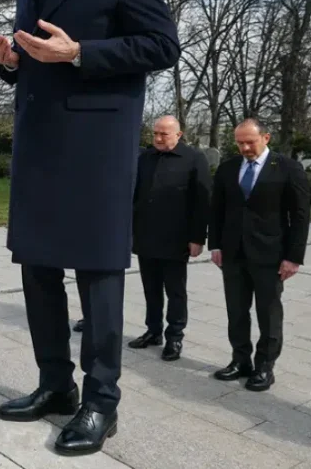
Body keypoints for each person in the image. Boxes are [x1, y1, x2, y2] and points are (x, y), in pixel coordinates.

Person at [0, 0, 179, 455]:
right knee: (37, 268)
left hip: (96, 146)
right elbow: (29, 52)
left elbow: (162, 45)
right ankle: (55, 387)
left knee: (96, 275)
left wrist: (79, 53)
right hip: (39, 140)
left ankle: (101, 403)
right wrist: (10, 61)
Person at [208, 118, 309, 391]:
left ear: (266, 138)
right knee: (237, 311)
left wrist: (294, 257)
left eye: (249, 142)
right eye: (239, 142)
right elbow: (217, 210)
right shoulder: (229, 168)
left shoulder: (287, 168)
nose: (244, 147)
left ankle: (265, 365)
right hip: (233, 253)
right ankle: (240, 360)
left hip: (270, 254)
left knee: (268, 312)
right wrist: (215, 244)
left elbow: (300, 216)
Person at [127, 116, 211, 361]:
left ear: (178, 134)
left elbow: (202, 202)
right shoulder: (145, 158)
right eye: (155, 133)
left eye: (164, 134)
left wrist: (197, 237)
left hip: (176, 237)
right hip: (146, 234)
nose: (158, 138)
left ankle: (174, 336)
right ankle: (153, 331)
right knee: (150, 288)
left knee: (175, 290)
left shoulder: (194, 159)